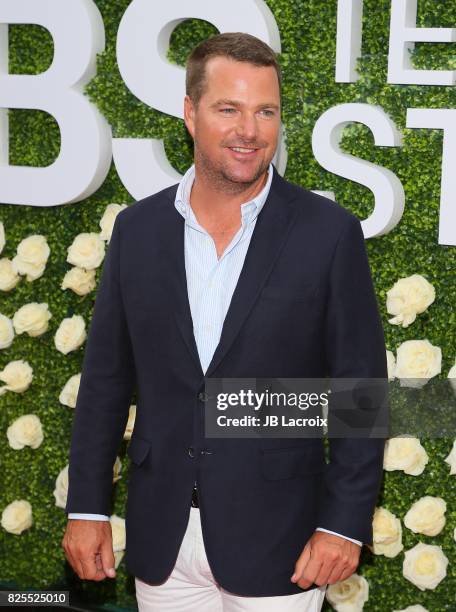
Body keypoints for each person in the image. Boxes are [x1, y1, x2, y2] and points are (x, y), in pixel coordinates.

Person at [62, 32, 388, 612]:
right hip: (161, 541)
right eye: (228, 109)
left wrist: (343, 523)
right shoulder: (138, 231)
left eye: (266, 111)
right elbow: (105, 381)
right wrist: (87, 507)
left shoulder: (327, 233)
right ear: (190, 114)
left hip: (282, 544)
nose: (251, 130)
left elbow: (359, 391)